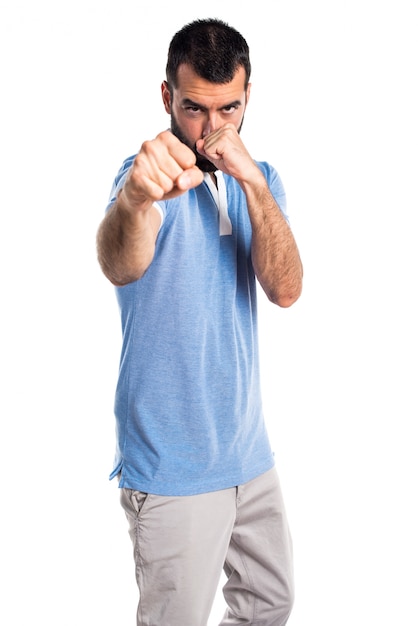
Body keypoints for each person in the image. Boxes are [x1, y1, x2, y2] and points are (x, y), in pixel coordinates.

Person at [96, 17, 303, 626]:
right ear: (167, 97)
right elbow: (120, 261)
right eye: (194, 109)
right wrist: (136, 199)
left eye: (228, 110)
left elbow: (286, 290)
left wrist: (251, 181)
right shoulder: (147, 181)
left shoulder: (259, 183)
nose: (212, 130)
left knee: (271, 602)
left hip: (247, 452)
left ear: (247, 97)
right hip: (172, 464)